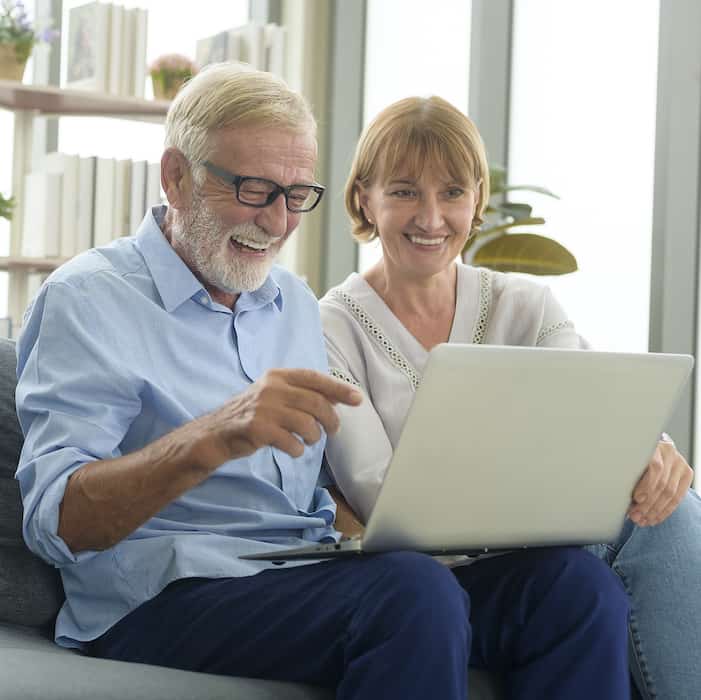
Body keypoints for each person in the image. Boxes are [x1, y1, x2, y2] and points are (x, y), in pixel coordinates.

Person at [14, 64, 630, 700]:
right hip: (160, 593)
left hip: (299, 568)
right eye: (254, 189)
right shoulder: (87, 299)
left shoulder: (290, 300)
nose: (278, 222)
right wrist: (210, 439)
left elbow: (337, 485)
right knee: (411, 593)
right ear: (176, 176)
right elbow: (57, 520)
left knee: (572, 589)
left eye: (296, 194)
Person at [320, 95, 701, 700]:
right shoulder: (330, 327)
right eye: (404, 192)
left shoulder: (525, 304)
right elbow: (380, 494)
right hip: (417, 578)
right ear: (363, 197)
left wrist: (652, 452)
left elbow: (596, 410)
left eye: (452, 192)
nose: (431, 216)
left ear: (476, 201)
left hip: (529, 558)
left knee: (669, 510)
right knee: (604, 559)